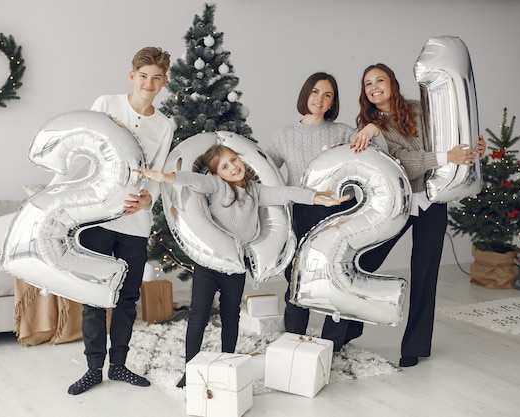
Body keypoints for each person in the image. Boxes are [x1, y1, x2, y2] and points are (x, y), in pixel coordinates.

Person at [137, 144, 350, 388]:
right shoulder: (216, 186)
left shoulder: (254, 191)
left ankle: (228, 360)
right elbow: (196, 181)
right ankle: (190, 369)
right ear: (218, 174)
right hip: (209, 265)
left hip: (235, 268)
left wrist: (317, 197)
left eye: (234, 160)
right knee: (199, 317)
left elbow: (285, 193)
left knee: (231, 316)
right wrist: (166, 177)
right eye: (225, 166)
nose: (233, 167)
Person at [356, 63, 486, 367]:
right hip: (397, 203)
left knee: (425, 274)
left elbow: (449, 141)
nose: (374, 87)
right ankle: (347, 327)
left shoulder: (420, 109)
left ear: (393, 83)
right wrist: (444, 157)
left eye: (380, 80)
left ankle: (414, 347)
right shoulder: (368, 126)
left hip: (433, 202)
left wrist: (473, 149)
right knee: (364, 260)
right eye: (368, 84)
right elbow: (401, 163)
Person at [66, 46, 174, 395]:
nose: (149, 83)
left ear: (164, 81)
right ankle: (93, 369)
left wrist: (148, 201)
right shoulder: (106, 105)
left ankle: (119, 365)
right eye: (144, 76)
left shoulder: (165, 124)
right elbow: (87, 149)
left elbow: (158, 174)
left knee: (127, 298)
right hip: (97, 217)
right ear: (133, 76)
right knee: (95, 296)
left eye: (157, 78)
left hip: (135, 225)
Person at [266, 72, 386, 352]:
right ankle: (293, 341)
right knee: (297, 278)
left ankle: (333, 344)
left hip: (340, 215)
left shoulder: (343, 132)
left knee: (337, 277)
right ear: (306, 95)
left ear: (333, 102)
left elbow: (380, 155)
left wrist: (372, 130)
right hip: (302, 213)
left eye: (328, 95)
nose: (320, 99)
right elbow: (265, 170)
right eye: (315, 92)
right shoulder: (285, 135)